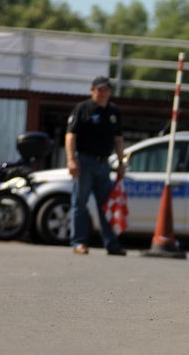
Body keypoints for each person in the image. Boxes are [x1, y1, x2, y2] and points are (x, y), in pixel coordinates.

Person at [66, 76, 127, 255]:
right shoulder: (82, 109)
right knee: (80, 203)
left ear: (110, 92)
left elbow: (118, 139)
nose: (102, 93)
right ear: (92, 90)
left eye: (106, 90)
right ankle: (79, 242)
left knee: (106, 205)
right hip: (84, 161)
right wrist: (71, 159)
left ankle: (111, 244)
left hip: (103, 164)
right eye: (99, 90)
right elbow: (71, 135)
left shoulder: (114, 112)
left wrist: (121, 163)